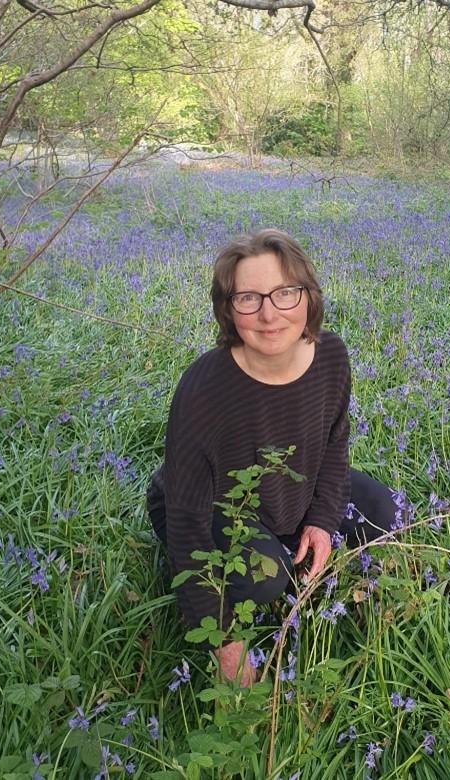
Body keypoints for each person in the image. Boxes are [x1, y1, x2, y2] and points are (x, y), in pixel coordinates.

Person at [147, 228, 402, 686]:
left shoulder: (331, 356)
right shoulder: (204, 387)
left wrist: (323, 522)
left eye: (285, 293)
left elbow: (334, 445)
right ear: (228, 309)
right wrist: (224, 642)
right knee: (267, 577)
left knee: (383, 512)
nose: (269, 314)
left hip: (290, 488)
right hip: (218, 504)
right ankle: (240, 578)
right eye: (249, 298)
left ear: (308, 296)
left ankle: (295, 539)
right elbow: (187, 519)